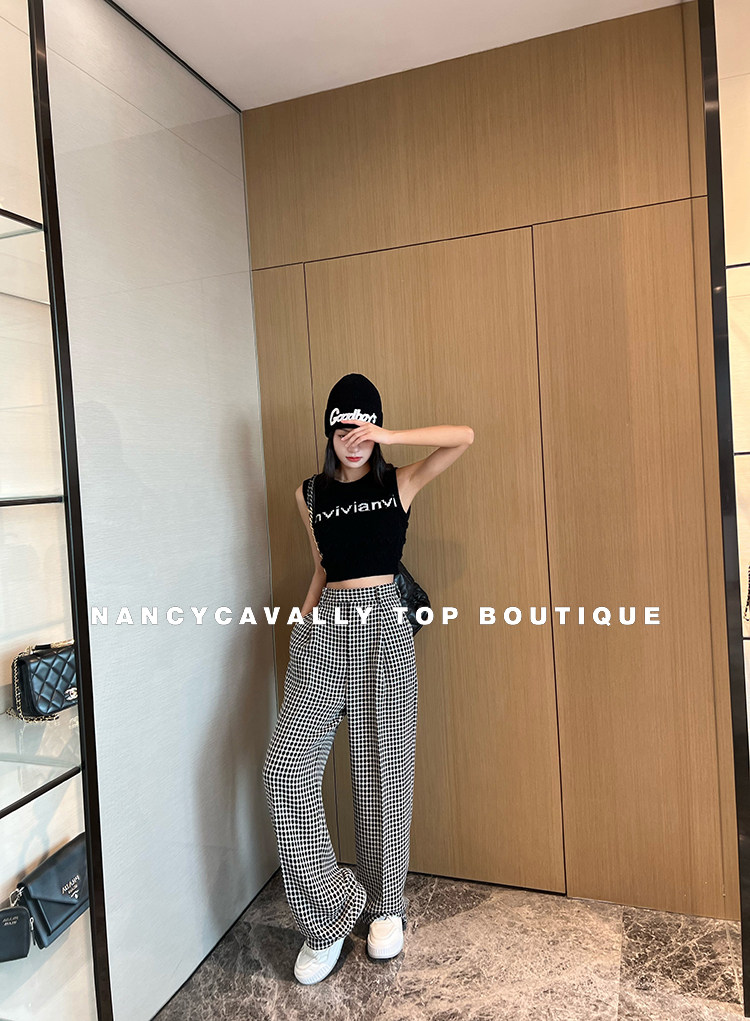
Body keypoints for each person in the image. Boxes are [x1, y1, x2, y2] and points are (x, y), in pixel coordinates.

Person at [262, 372, 474, 985]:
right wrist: (303, 620)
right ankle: (328, 913)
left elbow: (464, 436)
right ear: (328, 432)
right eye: (342, 429)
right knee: (286, 770)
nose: (352, 440)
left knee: (383, 771)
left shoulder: (398, 482)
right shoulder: (308, 493)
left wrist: (390, 436)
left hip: (385, 624)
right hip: (324, 628)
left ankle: (385, 907)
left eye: (363, 429)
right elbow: (323, 563)